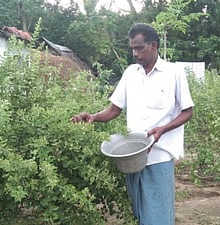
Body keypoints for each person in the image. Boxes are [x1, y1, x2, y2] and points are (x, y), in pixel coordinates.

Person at [71, 23, 194, 225]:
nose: (135, 54)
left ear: (153, 45)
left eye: (139, 48)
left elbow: (187, 111)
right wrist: (93, 116)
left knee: (159, 215)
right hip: (132, 158)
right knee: (139, 213)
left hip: (159, 156)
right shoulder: (131, 73)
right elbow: (114, 109)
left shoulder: (174, 73)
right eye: (132, 49)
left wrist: (163, 129)